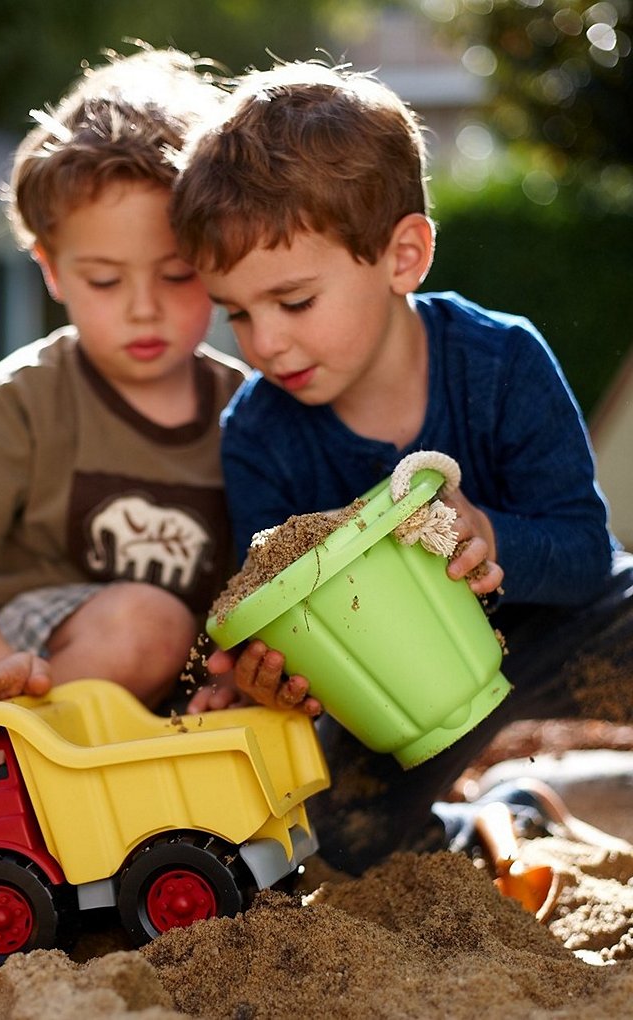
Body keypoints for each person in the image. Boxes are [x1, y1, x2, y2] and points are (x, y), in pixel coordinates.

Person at [169, 58, 633, 874]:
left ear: (402, 257)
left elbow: (585, 550)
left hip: (545, 622)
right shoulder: (259, 432)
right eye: (237, 313)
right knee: (334, 840)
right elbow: (266, 609)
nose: (264, 343)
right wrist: (275, 676)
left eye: (294, 301)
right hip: (392, 677)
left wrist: (490, 537)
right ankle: (497, 825)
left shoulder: (501, 362)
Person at [0, 47, 247, 755]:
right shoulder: (23, 396)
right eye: (104, 281)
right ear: (52, 270)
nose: (143, 310)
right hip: (23, 658)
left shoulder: (247, 408)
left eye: (177, 275)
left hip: (172, 675)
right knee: (146, 623)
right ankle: (10, 766)